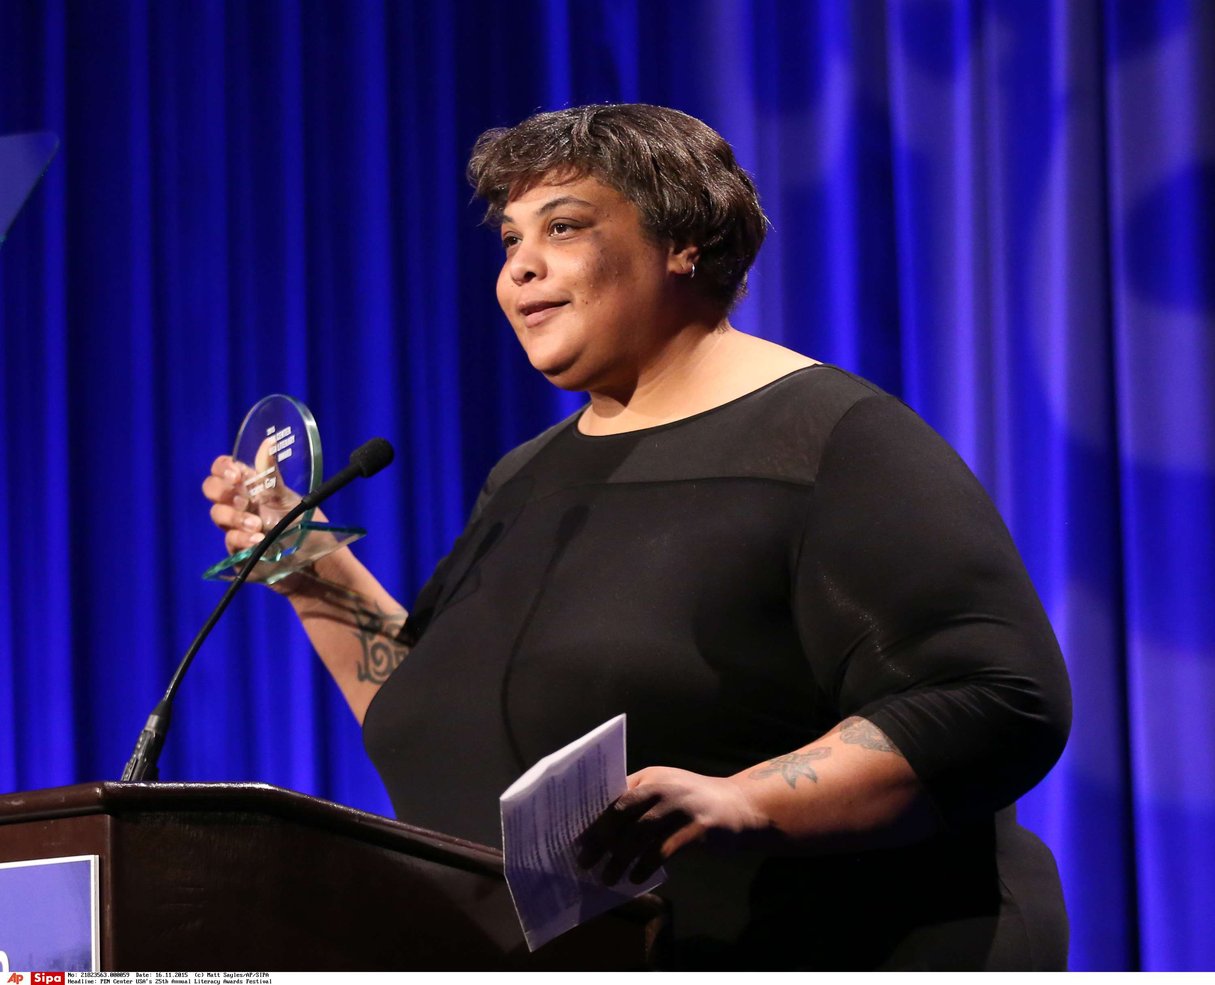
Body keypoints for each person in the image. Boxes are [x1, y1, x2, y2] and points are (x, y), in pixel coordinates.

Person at [203, 104, 1071, 970]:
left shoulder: (830, 440)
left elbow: (994, 698)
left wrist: (748, 799)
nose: (521, 270)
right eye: (510, 241)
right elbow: (431, 714)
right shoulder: (525, 478)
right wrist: (308, 565)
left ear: (682, 240)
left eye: (564, 226)